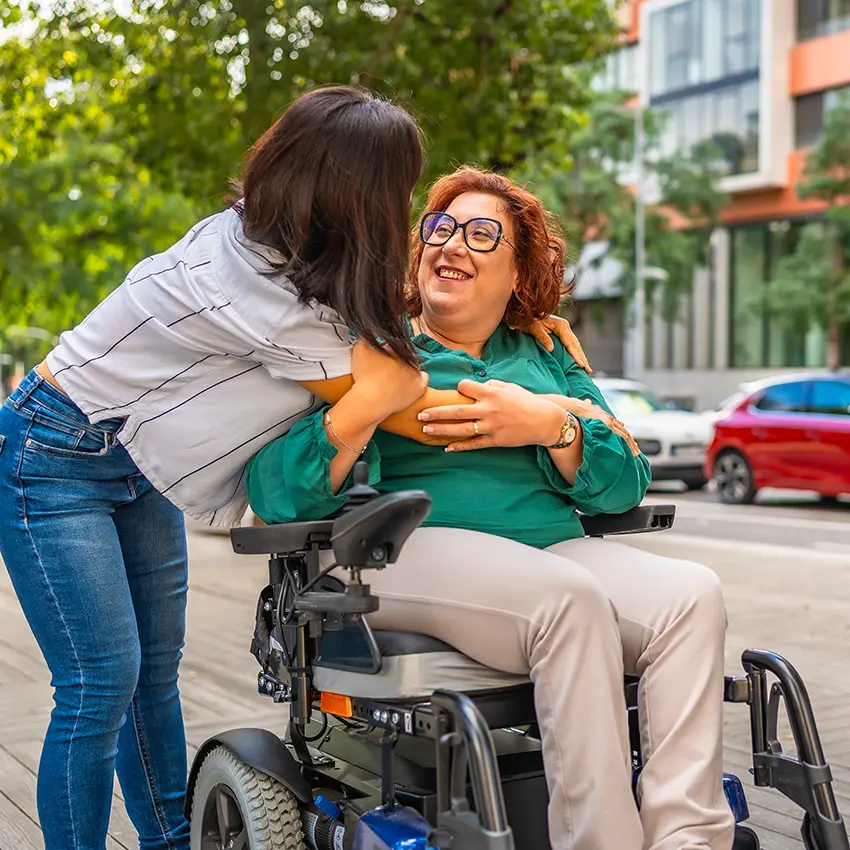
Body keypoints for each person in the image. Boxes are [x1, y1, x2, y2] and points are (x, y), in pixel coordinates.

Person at [0, 88, 585, 850]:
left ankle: (170, 842)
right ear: (358, 191)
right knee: (97, 683)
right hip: (54, 453)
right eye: (399, 185)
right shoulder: (249, 280)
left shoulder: (300, 256)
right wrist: (539, 411)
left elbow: (388, 325)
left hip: (135, 461)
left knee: (152, 676)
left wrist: (520, 311)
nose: (404, 203)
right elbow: (400, 399)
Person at [245, 167, 734, 850]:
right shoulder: (371, 346)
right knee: (567, 598)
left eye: (481, 234)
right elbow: (274, 491)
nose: (451, 244)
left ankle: (687, 838)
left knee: (692, 594)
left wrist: (547, 425)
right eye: (439, 229)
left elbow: (625, 483)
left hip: (550, 551)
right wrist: (365, 409)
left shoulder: (545, 355)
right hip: (407, 552)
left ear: (516, 274)